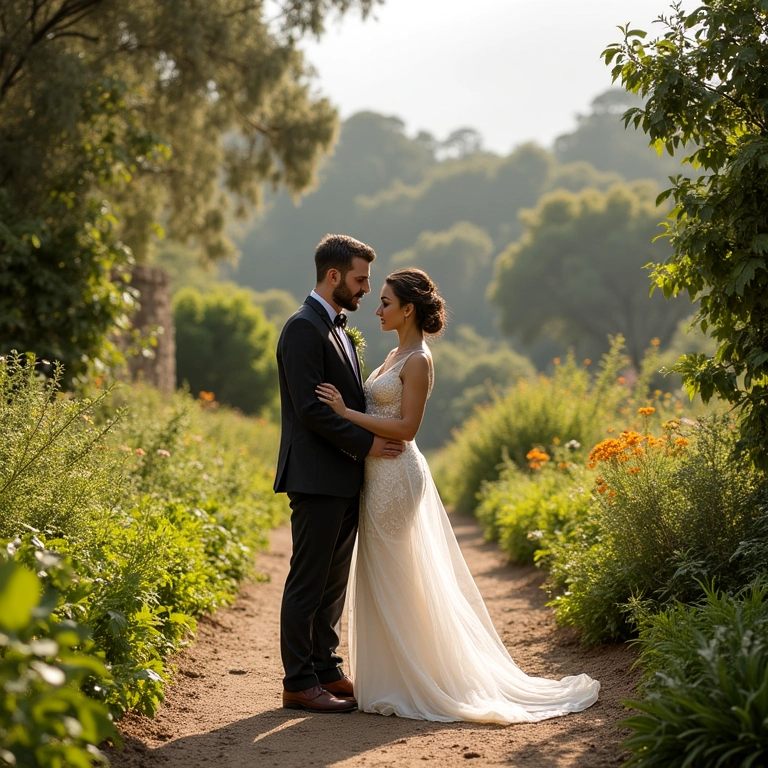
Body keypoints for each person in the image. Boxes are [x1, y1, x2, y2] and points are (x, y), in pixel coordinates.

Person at [316, 268, 600, 723]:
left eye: (385, 302)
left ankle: (417, 679)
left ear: (408, 309)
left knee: (397, 574)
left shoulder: (418, 361)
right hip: (377, 473)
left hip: (397, 475)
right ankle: (393, 676)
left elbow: (407, 428)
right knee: (384, 573)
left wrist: (346, 413)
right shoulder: (393, 354)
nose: (378, 309)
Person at [274, 234, 405, 714]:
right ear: (334, 276)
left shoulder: (339, 329)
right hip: (315, 476)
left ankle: (325, 668)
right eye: (360, 279)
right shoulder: (302, 328)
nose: (367, 288)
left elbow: (346, 404)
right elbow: (311, 410)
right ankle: (298, 682)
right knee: (308, 581)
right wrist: (369, 444)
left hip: (344, 476)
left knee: (332, 585)